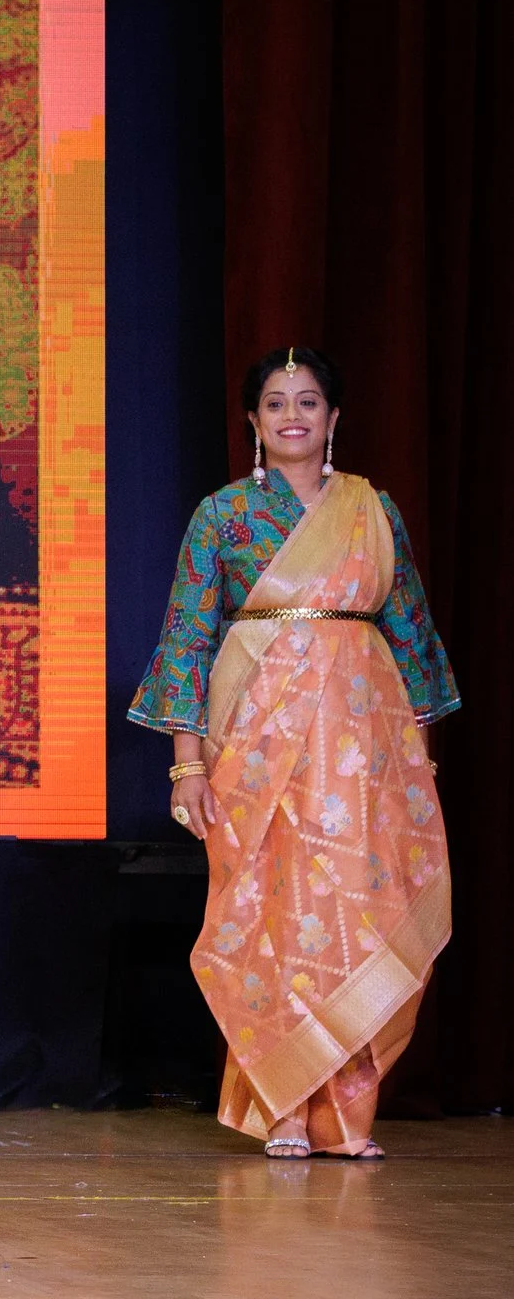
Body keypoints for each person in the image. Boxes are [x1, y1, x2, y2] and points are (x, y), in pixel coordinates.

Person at [131, 346, 458, 1159]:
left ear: (334, 418)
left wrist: (416, 764)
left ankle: (345, 1116)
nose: (292, 417)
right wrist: (189, 764)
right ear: (253, 421)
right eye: (275, 404)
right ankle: (279, 1104)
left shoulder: (371, 512)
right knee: (272, 917)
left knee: (355, 916)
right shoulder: (224, 517)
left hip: (361, 755)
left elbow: (413, 643)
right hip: (258, 747)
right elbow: (186, 643)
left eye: (307, 402)